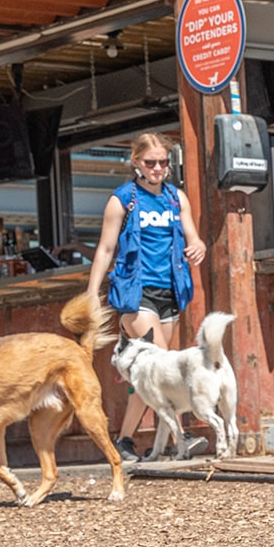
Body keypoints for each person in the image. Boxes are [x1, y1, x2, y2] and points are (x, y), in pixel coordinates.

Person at [85, 132, 207, 463]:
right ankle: (182, 438)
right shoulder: (123, 199)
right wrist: (92, 293)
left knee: (148, 373)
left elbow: (194, 237)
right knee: (164, 363)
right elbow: (106, 248)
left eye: (163, 162)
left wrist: (198, 247)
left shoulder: (175, 198)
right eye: (150, 162)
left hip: (170, 291)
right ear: (136, 162)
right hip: (135, 293)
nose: (157, 168)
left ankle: (124, 440)